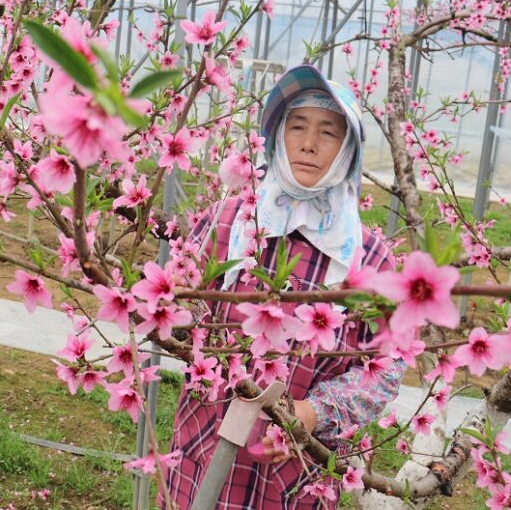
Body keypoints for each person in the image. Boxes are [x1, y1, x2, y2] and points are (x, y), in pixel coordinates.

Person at [164, 65, 404, 509]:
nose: (309, 143)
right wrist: (171, 310)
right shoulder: (228, 222)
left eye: (329, 132)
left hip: (296, 478)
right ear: (276, 136)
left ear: (348, 149)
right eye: (297, 126)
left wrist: (312, 414)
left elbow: (386, 369)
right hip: (203, 450)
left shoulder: (368, 258)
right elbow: (184, 316)